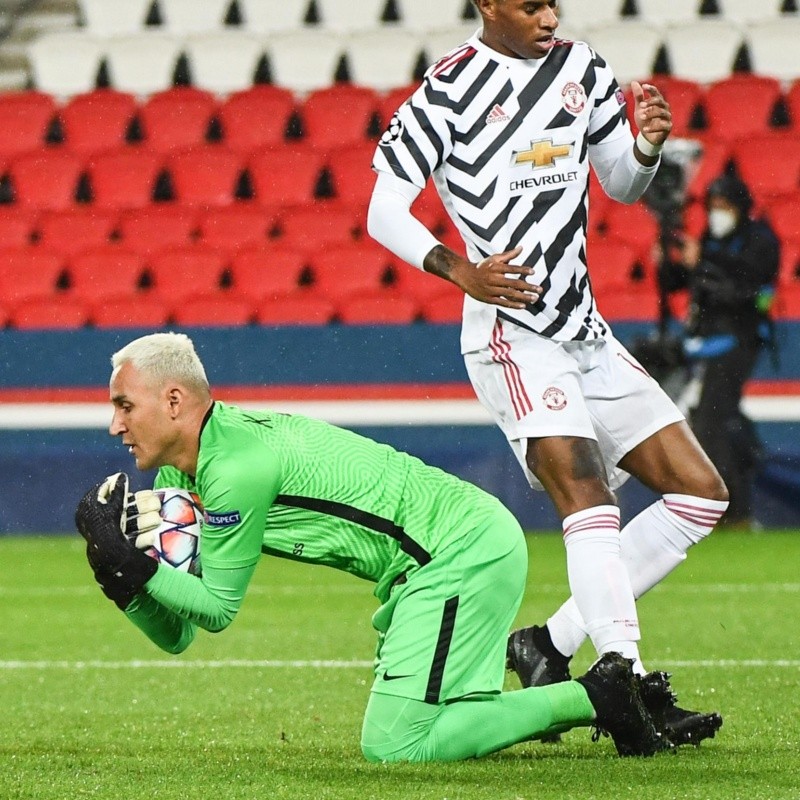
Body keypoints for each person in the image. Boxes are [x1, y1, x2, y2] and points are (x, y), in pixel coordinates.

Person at [367, 0, 727, 745]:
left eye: (555, 1)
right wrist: (458, 269)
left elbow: (621, 184)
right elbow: (382, 207)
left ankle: (550, 646)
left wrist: (647, 150)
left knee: (700, 495)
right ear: (486, 4)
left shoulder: (581, 68)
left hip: (584, 331)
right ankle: (622, 682)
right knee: (587, 491)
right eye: (531, 3)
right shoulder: (447, 91)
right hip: (512, 332)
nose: (550, 15)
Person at [74, 331, 672, 763]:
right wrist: (119, 580)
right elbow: (180, 632)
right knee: (446, 728)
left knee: (397, 743)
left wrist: (131, 561)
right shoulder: (185, 475)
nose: (115, 425)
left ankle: (597, 694)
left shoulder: (234, 467)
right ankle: (610, 696)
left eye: (124, 406)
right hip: (439, 561)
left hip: (457, 553)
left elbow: (219, 609)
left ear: (174, 402)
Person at [664, 174, 780, 528]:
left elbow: (749, 285)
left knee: (712, 420)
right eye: (712, 207)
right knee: (718, 419)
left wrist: (702, 263)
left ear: (741, 207)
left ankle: (732, 510)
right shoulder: (710, 237)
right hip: (706, 340)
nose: (717, 214)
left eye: (724, 206)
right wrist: (670, 262)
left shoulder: (761, 239)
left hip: (739, 340)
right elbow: (679, 284)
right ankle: (733, 503)